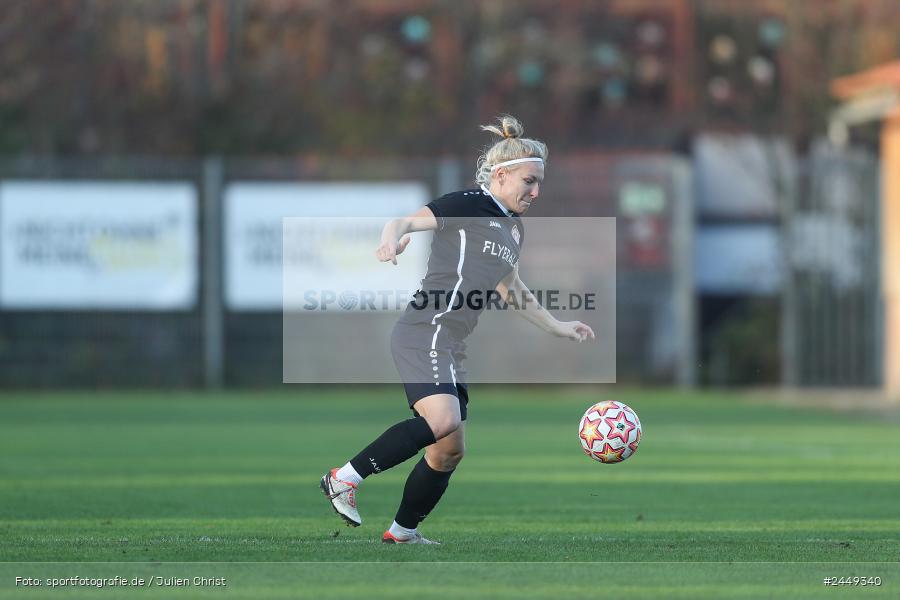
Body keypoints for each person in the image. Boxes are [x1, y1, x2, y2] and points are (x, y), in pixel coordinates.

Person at [320, 115, 595, 544]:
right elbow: (404, 222)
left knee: (448, 449)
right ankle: (344, 477)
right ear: (501, 175)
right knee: (443, 419)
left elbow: (512, 288)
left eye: (540, 182)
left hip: (449, 342)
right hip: (425, 327)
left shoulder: (513, 229)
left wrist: (558, 326)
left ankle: (402, 532)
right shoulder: (469, 203)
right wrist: (392, 239)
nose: (536, 191)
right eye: (529, 181)